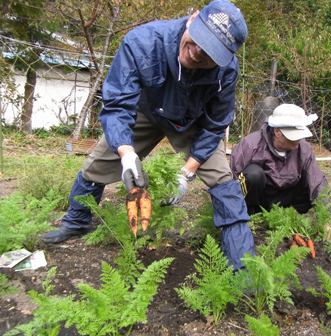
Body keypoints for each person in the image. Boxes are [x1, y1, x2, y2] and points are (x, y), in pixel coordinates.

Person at [42, 0, 255, 270]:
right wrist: (126, 153)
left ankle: (243, 264)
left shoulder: (226, 72)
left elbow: (215, 125)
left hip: (193, 121)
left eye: (210, 51)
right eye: (199, 38)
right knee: (98, 164)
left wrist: (187, 172)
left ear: (225, 56)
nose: (198, 51)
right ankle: (77, 221)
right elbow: (118, 104)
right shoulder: (143, 42)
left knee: (222, 179)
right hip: (147, 110)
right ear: (193, 18)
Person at [230, 103, 327, 215]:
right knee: (253, 174)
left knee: (310, 183)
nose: (298, 140)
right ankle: (247, 216)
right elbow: (233, 178)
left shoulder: (304, 148)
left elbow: (317, 182)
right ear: (277, 132)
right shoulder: (251, 145)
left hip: (288, 202)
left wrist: (326, 214)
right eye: (293, 136)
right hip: (259, 200)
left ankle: (287, 217)